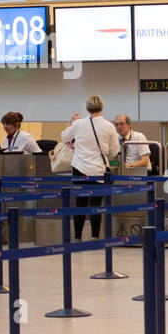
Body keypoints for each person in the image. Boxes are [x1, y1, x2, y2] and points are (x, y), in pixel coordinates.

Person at [60, 96, 121, 241]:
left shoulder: (78, 124)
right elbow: (114, 151)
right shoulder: (109, 126)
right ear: (102, 107)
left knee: (80, 204)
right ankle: (94, 237)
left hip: (79, 168)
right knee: (96, 205)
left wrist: (73, 123)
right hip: (98, 169)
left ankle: (77, 237)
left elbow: (64, 137)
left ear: (87, 108)